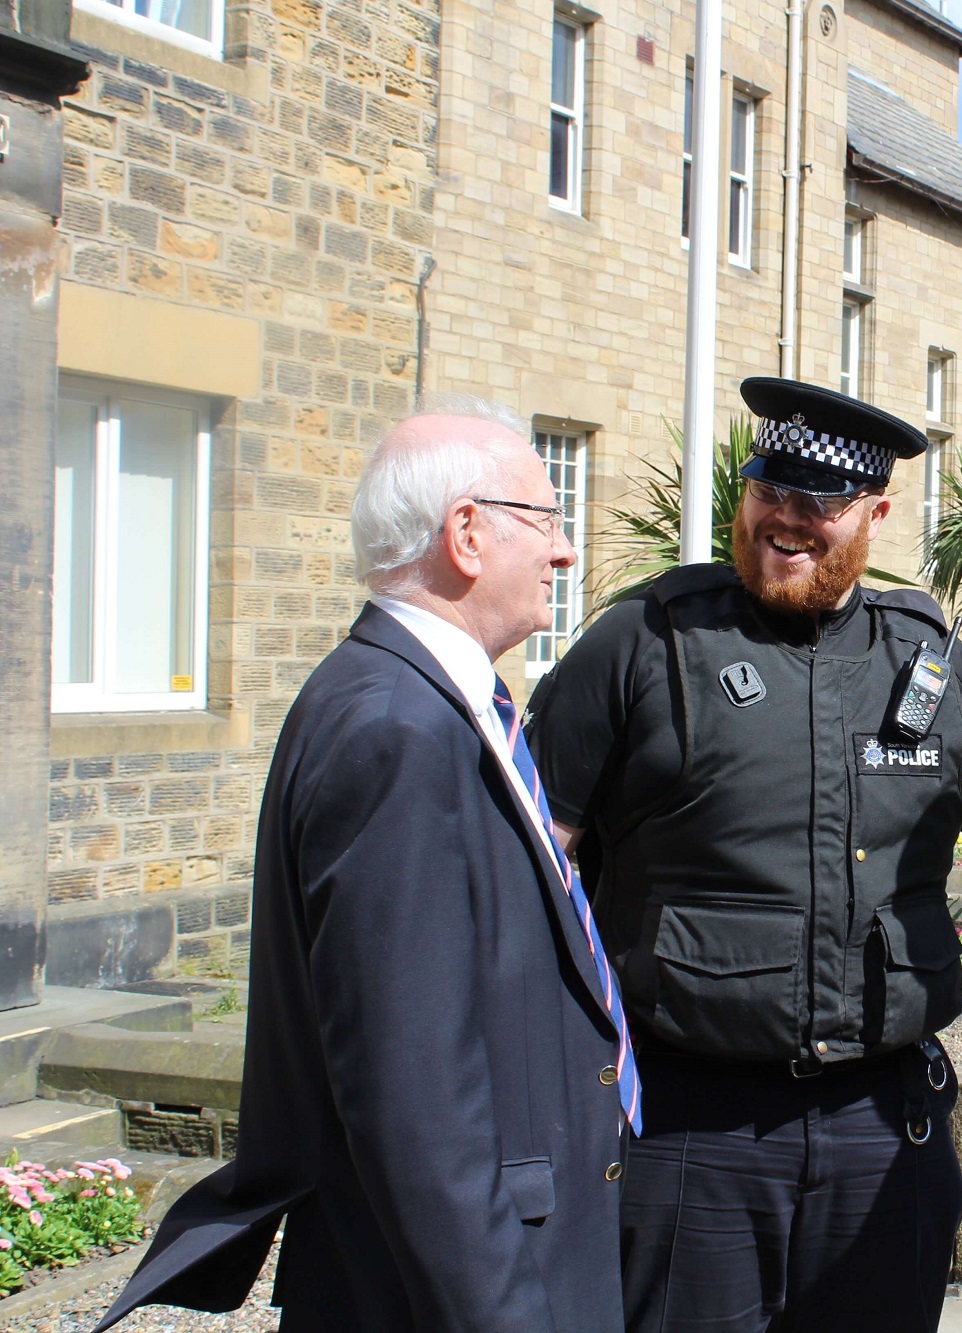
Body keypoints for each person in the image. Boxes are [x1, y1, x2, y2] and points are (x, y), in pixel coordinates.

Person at [525, 377, 962, 1333]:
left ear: (875, 514)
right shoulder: (647, 639)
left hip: (881, 1127)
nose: (788, 520)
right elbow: (529, 866)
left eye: (821, 502)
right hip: (691, 1129)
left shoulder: (925, 653)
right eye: (770, 488)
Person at [93, 401, 633, 1333]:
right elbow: (413, 1094)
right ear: (466, 533)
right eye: (548, 520)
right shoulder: (395, 727)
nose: (566, 551)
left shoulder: (421, 700)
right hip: (453, 1289)